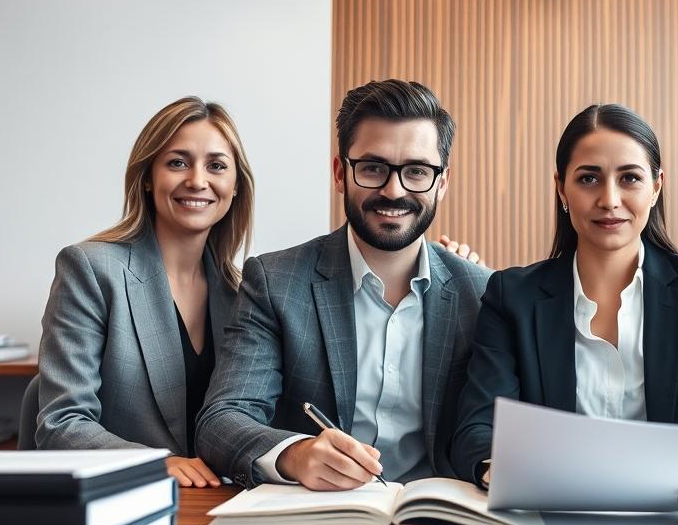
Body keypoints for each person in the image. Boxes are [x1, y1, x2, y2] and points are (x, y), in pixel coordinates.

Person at [450, 104, 678, 525]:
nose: (609, 199)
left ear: (656, 187)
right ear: (561, 189)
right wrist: (496, 468)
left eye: (629, 178)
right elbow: (475, 429)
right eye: (588, 178)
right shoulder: (512, 296)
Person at [196, 79, 491, 490]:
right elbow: (221, 420)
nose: (394, 190)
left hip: (440, 524)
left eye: (417, 172)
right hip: (317, 521)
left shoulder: (483, 294)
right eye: (373, 168)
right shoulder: (274, 282)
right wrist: (295, 454)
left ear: (442, 182)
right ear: (340, 173)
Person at [28, 97, 255, 488]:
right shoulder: (90, 269)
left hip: (220, 498)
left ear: (235, 187)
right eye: (177, 162)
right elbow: (61, 422)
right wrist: (153, 463)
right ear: (148, 176)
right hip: (124, 497)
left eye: (216, 166)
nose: (197, 180)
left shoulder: (244, 293)